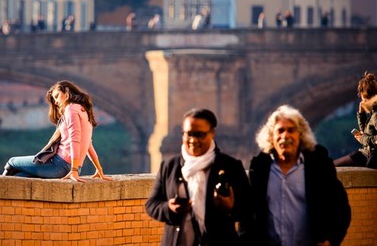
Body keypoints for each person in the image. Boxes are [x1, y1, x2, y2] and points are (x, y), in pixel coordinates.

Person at [145, 108, 253, 245]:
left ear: (212, 133)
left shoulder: (230, 166)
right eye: (188, 134)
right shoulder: (169, 167)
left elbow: (248, 211)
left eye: (199, 135)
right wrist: (169, 208)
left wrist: (230, 207)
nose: (193, 140)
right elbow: (152, 205)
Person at [249, 105, 351, 246]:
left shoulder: (319, 165)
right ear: (271, 137)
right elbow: (248, 215)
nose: (285, 136)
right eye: (280, 131)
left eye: (291, 130)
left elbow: (341, 208)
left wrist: (330, 240)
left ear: (301, 135)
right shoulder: (259, 168)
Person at [2, 80, 112, 182]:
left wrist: (73, 170)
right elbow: (88, 144)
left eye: (57, 96)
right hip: (74, 167)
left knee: (12, 162)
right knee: (20, 177)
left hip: (59, 165)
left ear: (67, 92)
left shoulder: (70, 109)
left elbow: (75, 139)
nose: (55, 102)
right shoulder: (83, 110)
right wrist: (99, 170)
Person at [334, 72, 377, 168]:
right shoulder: (372, 113)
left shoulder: (376, 115)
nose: (363, 102)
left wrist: (362, 139)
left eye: (364, 100)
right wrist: (361, 114)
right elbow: (364, 131)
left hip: (369, 156)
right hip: (365, 153)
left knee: (331, 168)